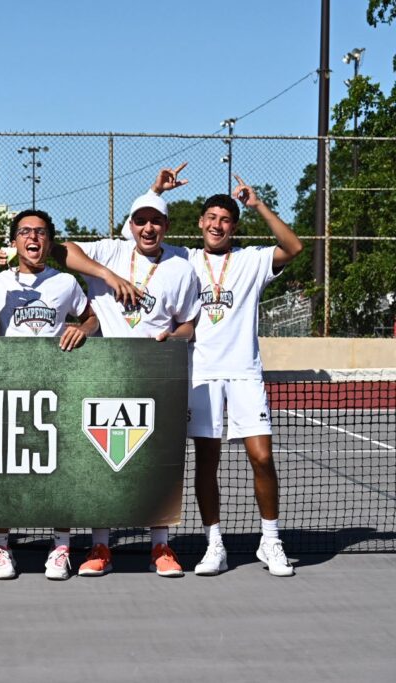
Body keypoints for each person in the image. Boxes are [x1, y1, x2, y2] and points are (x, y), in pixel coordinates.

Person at [149, 166, 303, 577]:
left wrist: (258, 205)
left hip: (244, 373)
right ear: (200, 223)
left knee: (262, 456)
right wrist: (157, 190)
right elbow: (143, 232)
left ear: (234, 226)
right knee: (206, 461)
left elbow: (294, 247)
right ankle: (214, 544)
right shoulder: (184, 258)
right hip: (201, 374)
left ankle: (270, 542)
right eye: (212, 219)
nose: (218, 225)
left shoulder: (252, 261)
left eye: (226, 220)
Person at [62, 177, 201, 578]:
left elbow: (189, 324)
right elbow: (63, 250)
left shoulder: (181, 267)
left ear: (166, 227)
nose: (148, 228)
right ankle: (100, 546)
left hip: (156, 377)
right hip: (106, 373)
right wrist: (108, 276)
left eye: (155, 221)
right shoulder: (111, 251)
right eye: (140, 221)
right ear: (131, 224)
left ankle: (161, 546)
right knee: (102, 461)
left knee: (156, 464)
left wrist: (173, 338)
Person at [0, 209, 104, 580]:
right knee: (6, 474)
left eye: (41, 232)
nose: (34, 238)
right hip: (9, 388)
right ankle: (0, 548)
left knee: (59, 471)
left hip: (56, 390)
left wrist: (84, 330)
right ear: (14, 241)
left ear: (49, 241)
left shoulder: (65, 283)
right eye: (25, 231)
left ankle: (60, 547)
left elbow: (93, 317)